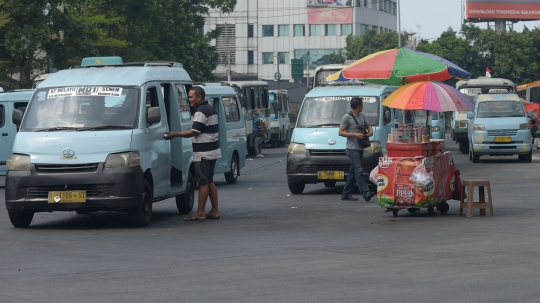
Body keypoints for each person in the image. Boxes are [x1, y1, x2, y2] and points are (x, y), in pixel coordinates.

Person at [164, 86, 221, 221]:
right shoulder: (210, 109)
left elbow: (194, 132)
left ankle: (200, 212)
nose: (189, 99)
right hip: (213, 151)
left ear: (199, 97)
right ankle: (215, 210)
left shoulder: (201, 111)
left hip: (203, 153)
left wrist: (175, 134)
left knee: (202, 182)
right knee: (209, 181)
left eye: (191, 97)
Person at [338, 97, 375, 202]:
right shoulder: (347, 117)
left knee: (353, 172)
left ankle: (346, 193)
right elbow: (340, 132)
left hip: (360, 147)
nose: (363, 106)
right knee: (358, 170)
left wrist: (370, 131)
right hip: (352, 148)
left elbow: (369, 126)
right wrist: (354, 135)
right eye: (362, 104)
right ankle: (366, 192)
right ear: (358, 106)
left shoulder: (362, 116)